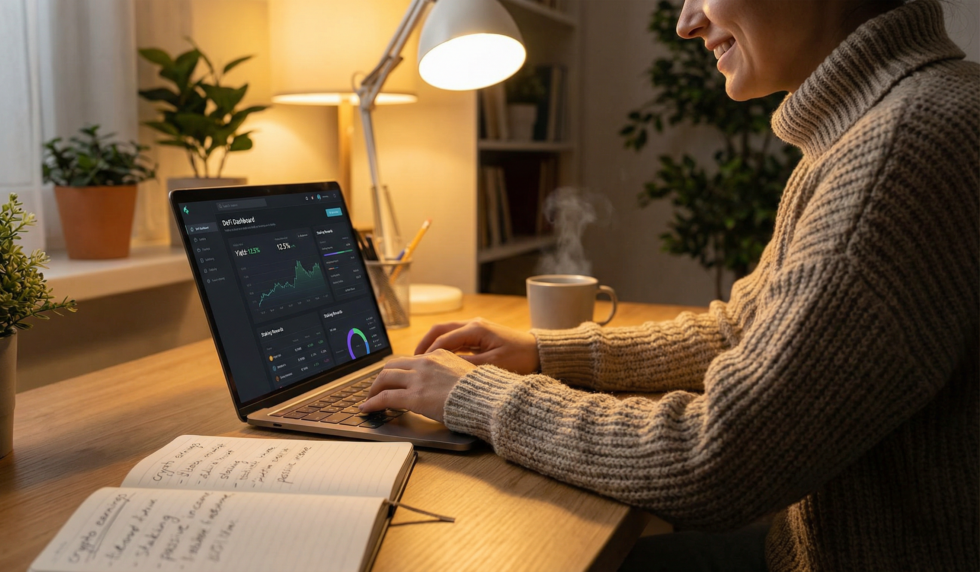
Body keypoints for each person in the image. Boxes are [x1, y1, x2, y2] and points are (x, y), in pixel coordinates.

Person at [361, 0, 979, 570]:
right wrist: (546, 353)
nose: (686, 22)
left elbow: (716, 460)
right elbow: (743, 330)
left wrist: (481, 398)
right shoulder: (884, 122)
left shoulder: (901, 149)